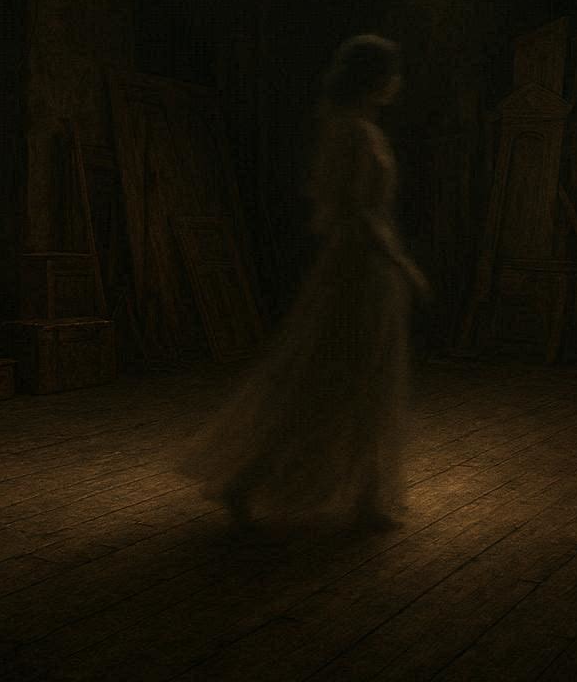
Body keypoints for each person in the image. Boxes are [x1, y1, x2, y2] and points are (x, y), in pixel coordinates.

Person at [178, 34, 429, 533]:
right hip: (359, 271)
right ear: (373, 78)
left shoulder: (353, 129)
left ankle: (365, 494)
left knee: (357, 381)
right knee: (333, 380)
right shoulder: (353, 133)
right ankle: (254, 481)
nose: (397, 82)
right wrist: (399, 262)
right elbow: (355, 211)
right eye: (391, 72)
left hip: (361, 268)